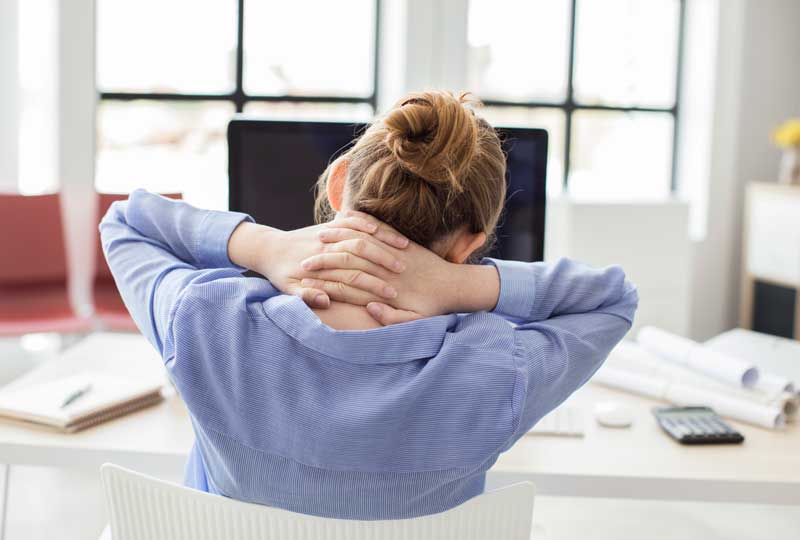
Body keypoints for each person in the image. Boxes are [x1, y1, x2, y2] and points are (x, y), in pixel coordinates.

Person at [100, 91, 638, 520]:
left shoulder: (206, 320)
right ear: (471, 242)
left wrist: (264, 245)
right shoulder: (498, 369)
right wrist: (460, 284)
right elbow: (612, 298)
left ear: (337, 186)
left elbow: (127, 222)